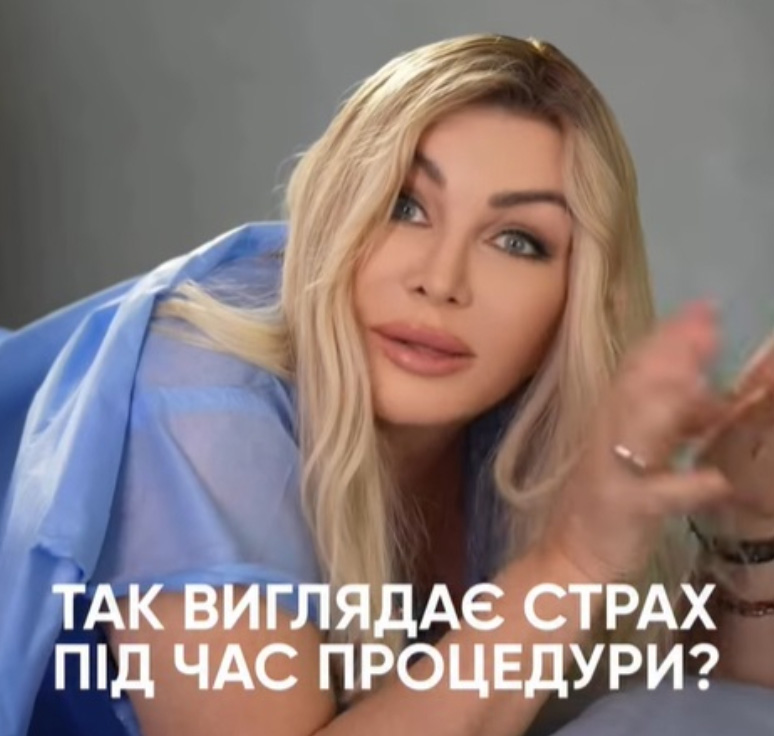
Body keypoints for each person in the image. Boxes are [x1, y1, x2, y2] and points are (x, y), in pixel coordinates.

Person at [0, 34, 772, 736]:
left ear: (576, 300)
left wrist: (745, 522)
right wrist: (569, 566)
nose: (440, 280)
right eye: (404, 206)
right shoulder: (202, 389)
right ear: (334, 216)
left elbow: (709, 701)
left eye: (516, 241)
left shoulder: (529, 430)